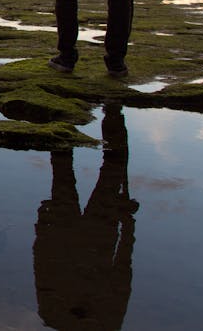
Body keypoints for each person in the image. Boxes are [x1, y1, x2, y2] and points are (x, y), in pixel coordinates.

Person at [34, 104, 137, 329]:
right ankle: (109, 111)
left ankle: (79, 111)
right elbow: (123, 271)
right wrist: (128, 227)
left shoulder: (52, 314)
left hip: (73, 236)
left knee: (67, 168)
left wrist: (41, 227)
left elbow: (42, 268)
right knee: (108, 168)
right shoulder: (107, 322)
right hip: (97, 239)